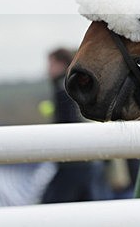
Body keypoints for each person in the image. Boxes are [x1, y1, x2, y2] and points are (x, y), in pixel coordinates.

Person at [41, 48, 103, 203]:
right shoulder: (75, 85)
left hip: (71, 162)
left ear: (61, 64)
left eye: (51, 64)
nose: (47, 69)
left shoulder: (63, 90)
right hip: (87, 159)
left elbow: (68, 124)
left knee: (48, 208)